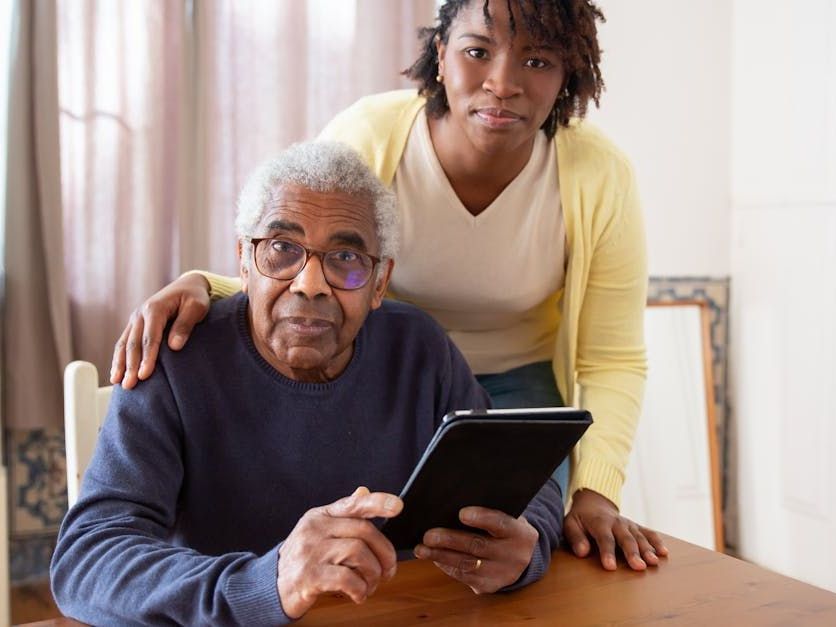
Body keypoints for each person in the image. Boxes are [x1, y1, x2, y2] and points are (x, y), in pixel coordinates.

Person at [110, 0, 667, 572]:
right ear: (441, 56)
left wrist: (594, 494)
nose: (502, 83)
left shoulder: (599, 174)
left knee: (518, 552)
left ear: (567, 75)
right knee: (378, 548)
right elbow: (308, 246)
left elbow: (611, 357)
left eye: (538, 61)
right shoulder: (374, 134)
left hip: (517, 386)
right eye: (478, 52)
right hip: (395, 377)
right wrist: (209, 284)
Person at [51, 142, 562, 626]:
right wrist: (267, 582)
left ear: (380, 282)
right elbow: (88, 560)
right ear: (244, 262)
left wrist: (527, 547)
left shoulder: (419, 349)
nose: (310, 283)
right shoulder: (175, 358)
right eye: (281, 248)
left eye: (345, 258)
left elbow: (523, 484)